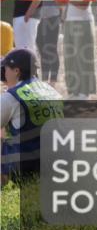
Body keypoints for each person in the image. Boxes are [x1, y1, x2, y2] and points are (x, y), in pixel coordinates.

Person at [1, 49, 63, 186]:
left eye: (5, 69)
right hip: (60, 164)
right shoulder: (51, 90)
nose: (3, 74)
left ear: (16, 71)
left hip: (28, 169)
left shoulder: (11, 97)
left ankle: (2, 185)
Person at [58, 0, 97, 98]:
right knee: (70, 58)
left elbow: (84, 4)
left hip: (83, 22)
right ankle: (73, 90)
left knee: (83, 57)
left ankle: (85, 91)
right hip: (68, 22)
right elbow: (66, 3)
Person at [34, 0, 62, 82]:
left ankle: (53, 80)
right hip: (37, 17)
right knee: (41, 48)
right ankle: (44, 80)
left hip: (52, 16)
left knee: (51, 47)